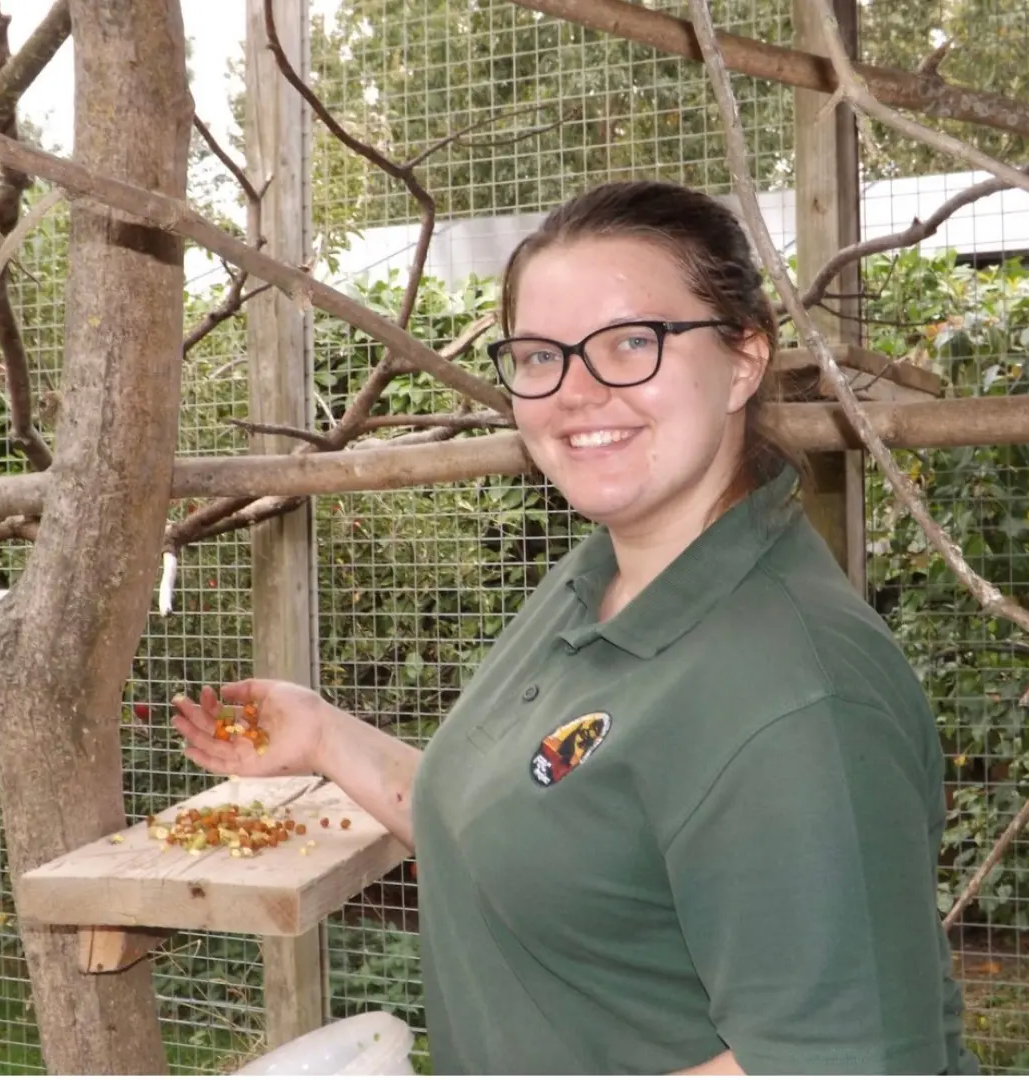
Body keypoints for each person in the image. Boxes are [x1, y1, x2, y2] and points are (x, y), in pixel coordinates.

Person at [172, 179, 978, 1076]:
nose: (576, 392)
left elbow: (836, 1063)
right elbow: (529, 826)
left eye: (632, 343)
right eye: (539, 356)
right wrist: (322, 734)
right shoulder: (598, 579)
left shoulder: (794, 693)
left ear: (744, 359)